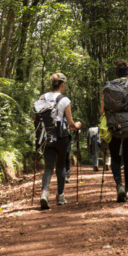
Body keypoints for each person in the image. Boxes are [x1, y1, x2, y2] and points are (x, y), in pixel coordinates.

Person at [34, 73, 82, 209]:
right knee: (60, 166)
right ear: (62, 84)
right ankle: (60, 196)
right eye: (65, 84)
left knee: (48, 167)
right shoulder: (65, 100)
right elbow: (71, 123)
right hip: (61, 136)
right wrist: (78, 125)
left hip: (46, 136)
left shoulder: (42, 97)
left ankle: (44, 193)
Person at [101, 59, 128, 203]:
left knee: (115, 157)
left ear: (115, 73)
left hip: (113, 126)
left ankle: (118, 185)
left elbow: (102, 110)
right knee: (127, 157)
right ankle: (127, 189)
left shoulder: (107, 87)